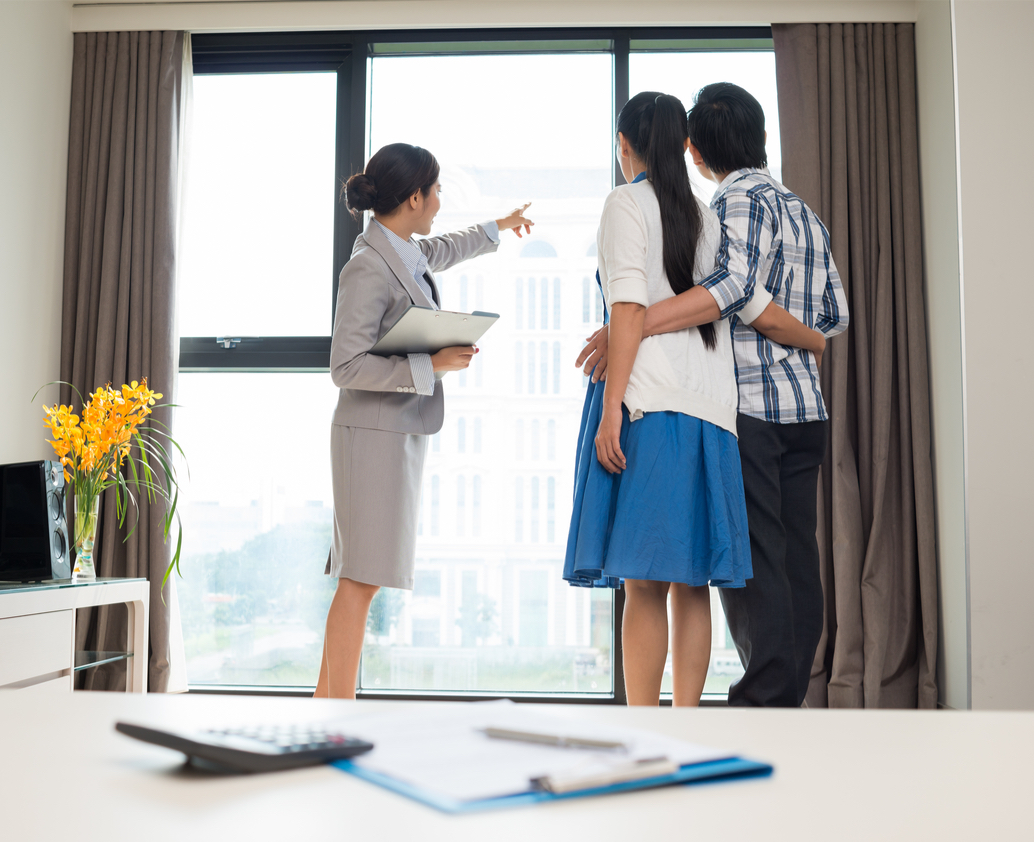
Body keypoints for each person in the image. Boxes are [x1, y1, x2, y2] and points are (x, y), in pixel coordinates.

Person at [578, 83, 850, 707]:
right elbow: (830, 315)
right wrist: (810, 339)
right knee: (790, 563)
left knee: (743, 572)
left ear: (696, 149)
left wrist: (634, 322)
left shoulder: (727, 206)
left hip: (747, 405)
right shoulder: (802, 211)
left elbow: (728, 289)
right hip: (803, 409)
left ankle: (763, 701)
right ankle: (776, 697)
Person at [316, 142, 533, 699]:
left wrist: (499, 227)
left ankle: (327, 706)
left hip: (392, 435)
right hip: (370, 437)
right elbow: (345, 366)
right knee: (360, 578)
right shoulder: (367, 267)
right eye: (435, 191)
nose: (439, 201)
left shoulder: (403, 249)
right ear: (413, 197)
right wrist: (429, 365)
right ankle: (332, 711)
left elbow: (443, 248)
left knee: (364, 577)